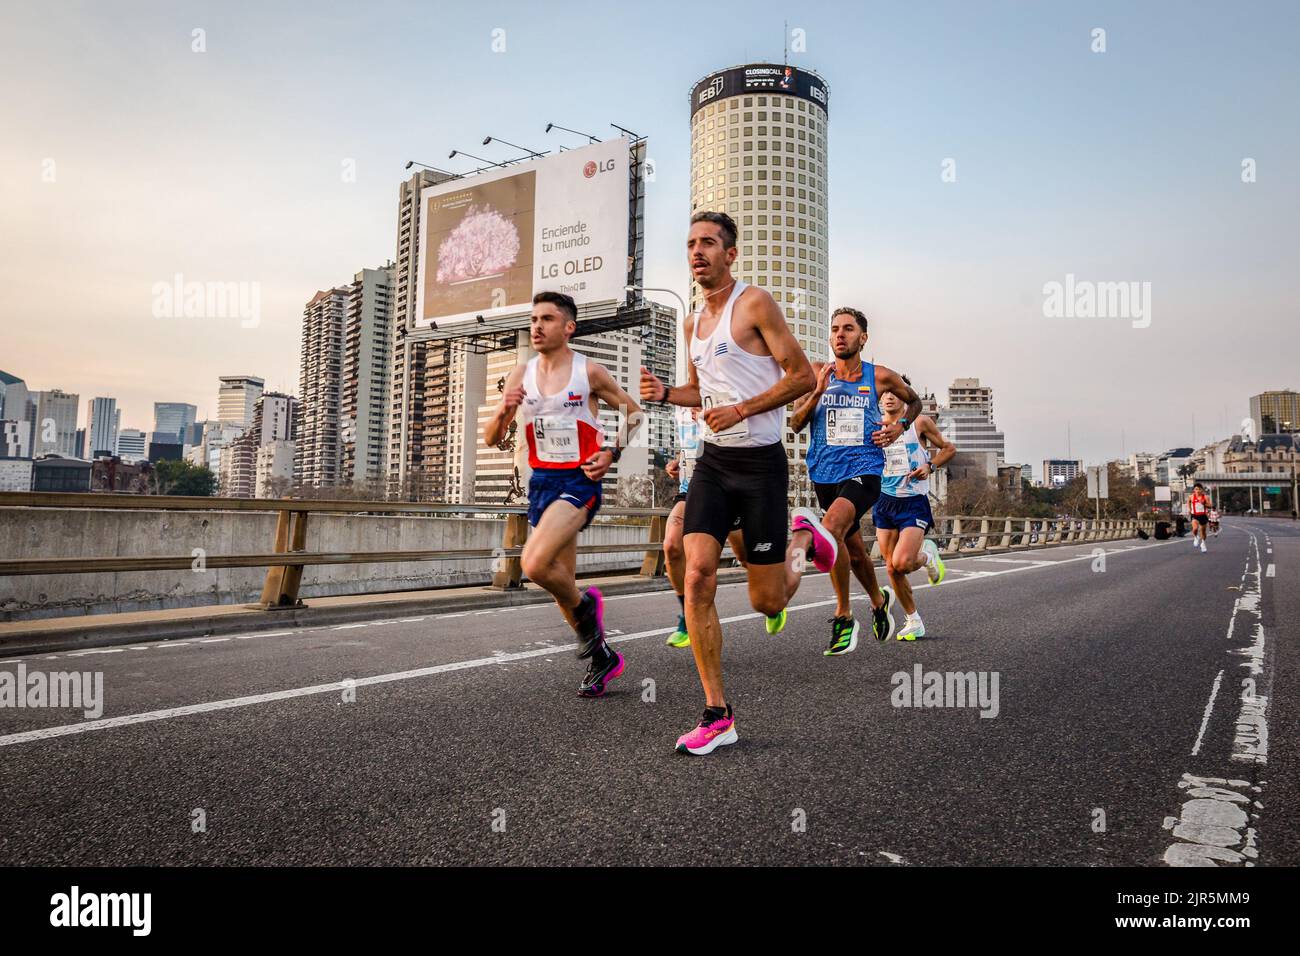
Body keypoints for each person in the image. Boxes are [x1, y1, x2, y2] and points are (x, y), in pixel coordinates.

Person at [640, 210, 815, 756]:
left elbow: (803, 376)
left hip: (761, 465)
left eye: (709, 243)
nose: (697, 252)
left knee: (768, 602)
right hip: (714, 465)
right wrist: (668, 393)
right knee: (696, 576)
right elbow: (701, 391)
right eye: (691, 243)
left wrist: (742, 409)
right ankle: (718, 713)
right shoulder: (691, 323)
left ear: (730, 254)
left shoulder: (754, 303)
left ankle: (804, 543)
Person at [484, 291, 642, 697]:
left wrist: (612, 451)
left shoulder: (589, 372)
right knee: (560, 582)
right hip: (542, 483)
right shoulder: (521, 374)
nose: (537, 326)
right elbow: (491, 438)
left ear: (568, 327)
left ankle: (589, 609)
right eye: (534, 319)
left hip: (579, 480)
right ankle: (602, 657)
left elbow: (635, 412)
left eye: (548, 319)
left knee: (535, 564)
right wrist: (504, 410)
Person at [787, 307, 922, 654]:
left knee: (831, 525)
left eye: (848, 329)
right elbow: (796, 424)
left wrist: (900, 427)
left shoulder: (880, 377)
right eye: (835, 329)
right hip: (823, 474)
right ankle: (879, 603)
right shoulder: (817, 373)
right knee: (856, 553)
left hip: (864, 470)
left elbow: (915, 402)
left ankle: (844, 614)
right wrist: (816, 392)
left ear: (863, 337)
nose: (840, 335)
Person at [871, 385, 955, 640]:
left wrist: (930, 466)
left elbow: (949, 449)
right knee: (891, 568)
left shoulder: (919, 423)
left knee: (903, 563)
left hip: (913, 501)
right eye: (884, 393)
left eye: (894, 393)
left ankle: (927, 556)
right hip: (884, 502)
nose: (888, 397)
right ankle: (913, 620)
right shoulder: (874, 425)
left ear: (905, 397)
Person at [662, 406, 750, 648]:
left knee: (746, 558)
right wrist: (678, 461)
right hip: (689, 490)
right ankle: (686, 618)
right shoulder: (679, 407)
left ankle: (769, 596)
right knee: (671, 545)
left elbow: (744, 436)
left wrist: (710, 416)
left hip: (723, 490)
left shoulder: (720, 393)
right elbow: (689, 444)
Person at [1187, 483, 1210, 553]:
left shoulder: (1205, 497)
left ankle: (1203, 543)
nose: (1198, 490)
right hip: (1195, 515)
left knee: (1203, 531)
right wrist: (1189, 509)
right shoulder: (1191, 497)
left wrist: (1204, 503)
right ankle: (1196, 537)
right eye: (1196, 489)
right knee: (1195, 528)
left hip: (1203, 515)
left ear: (1202, 490)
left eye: (1199, 489)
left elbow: (1210, 505)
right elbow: (1188, 502)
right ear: (1194, 490)